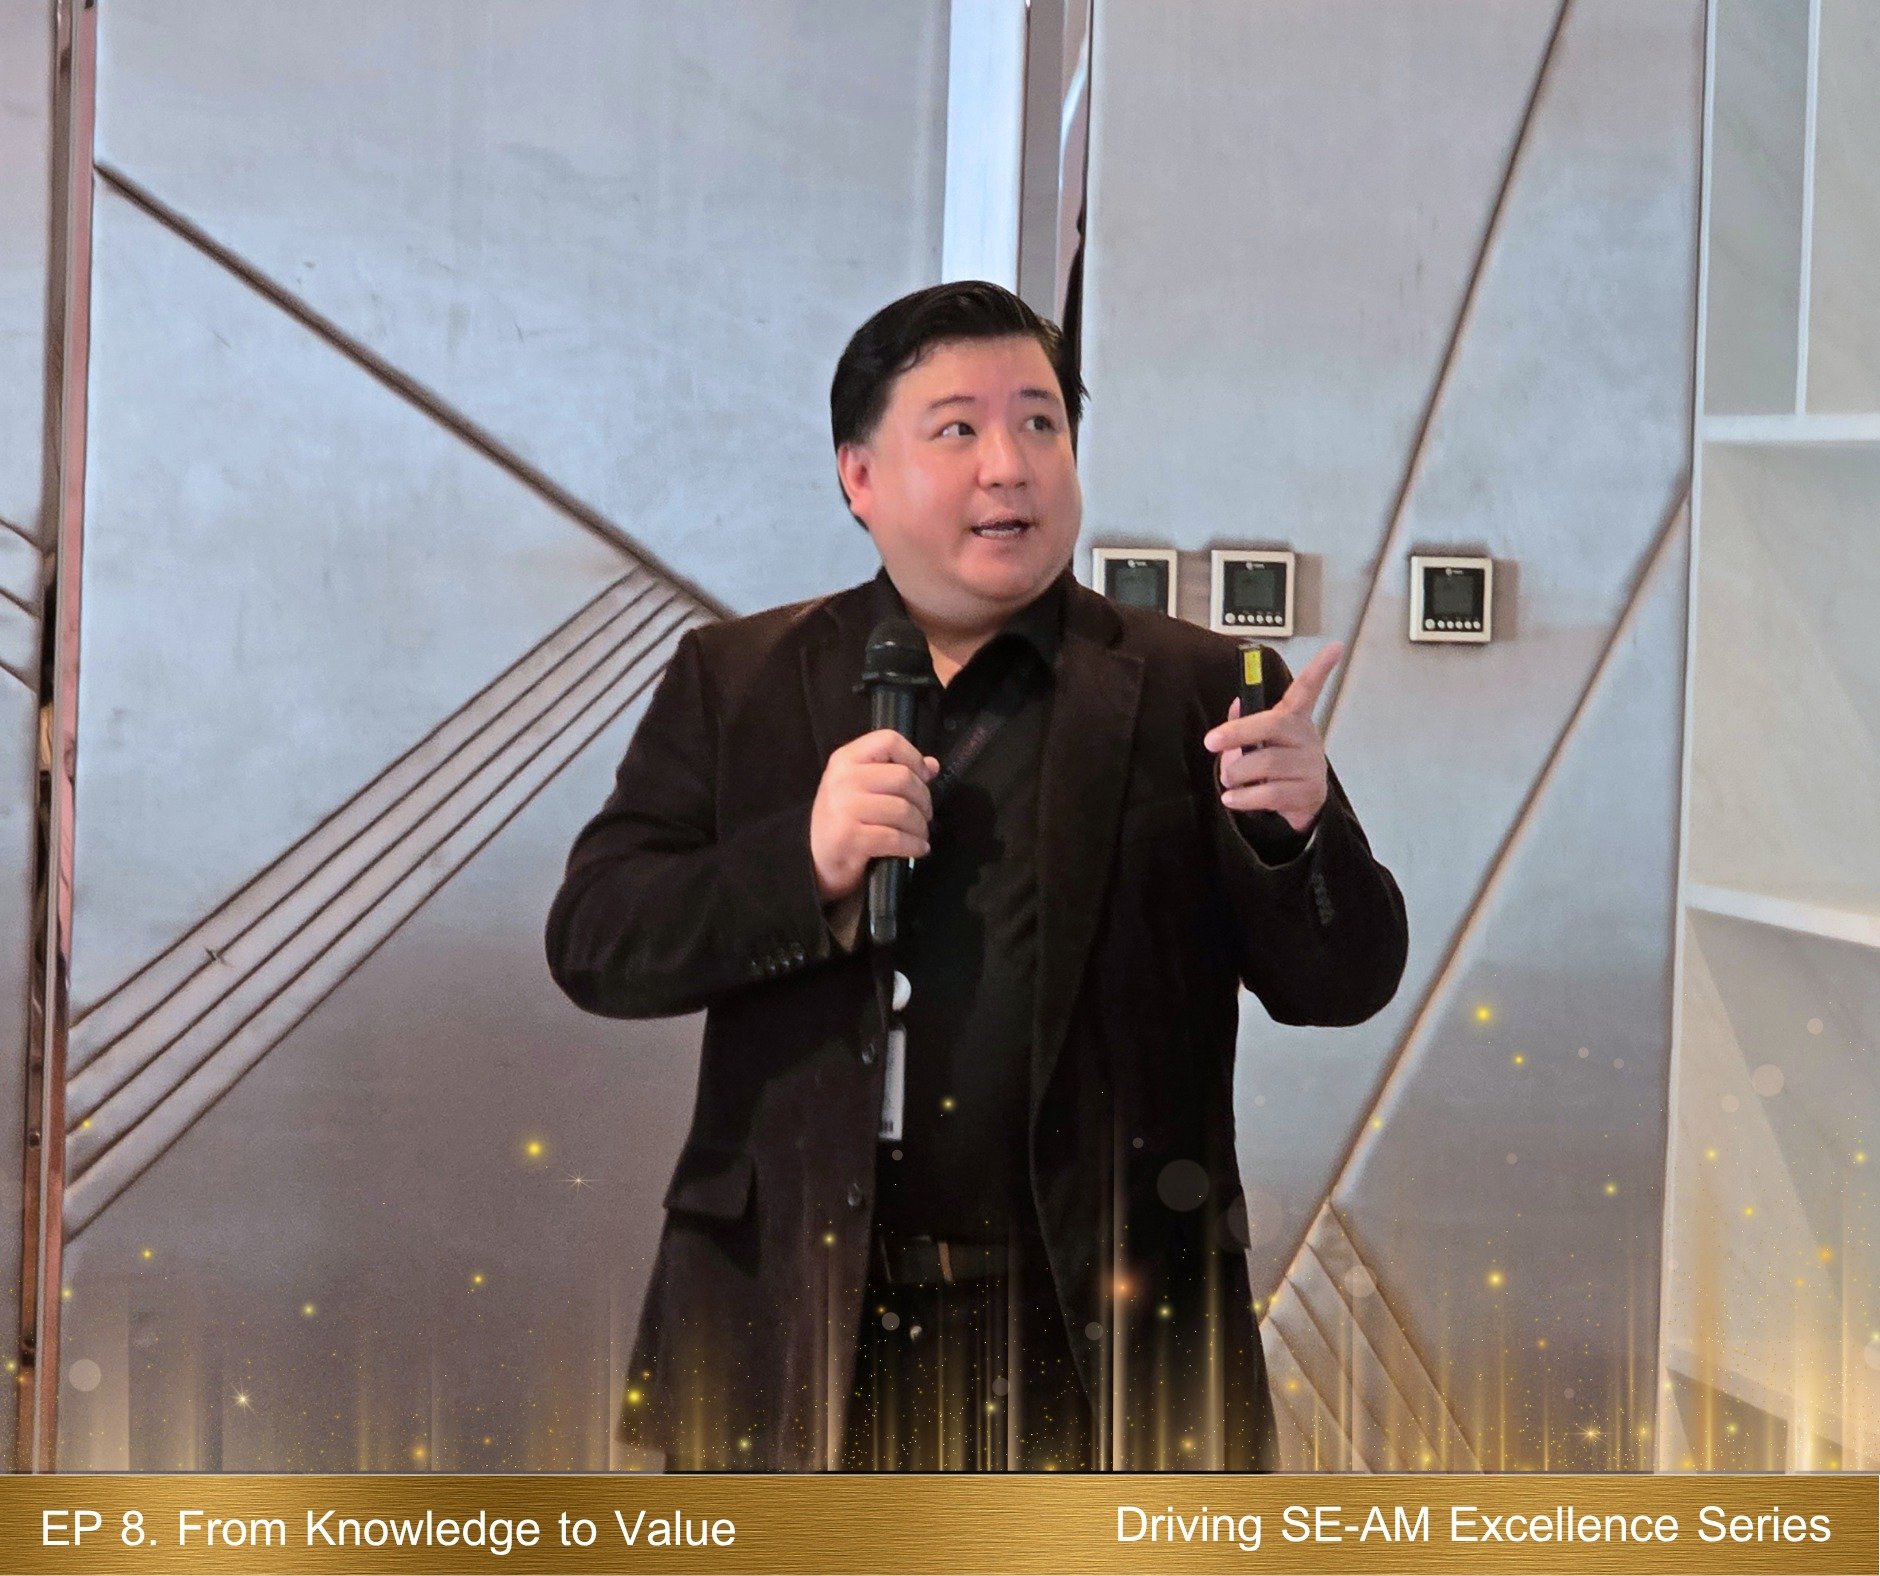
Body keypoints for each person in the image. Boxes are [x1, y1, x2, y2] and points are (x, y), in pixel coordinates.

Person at [544, 281, 1408, 1472]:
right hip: (796, 1332)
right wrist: (804, 860)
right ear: (858, 475)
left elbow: (1345, 980)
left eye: (1040, 423)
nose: (1010, 466)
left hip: (1101, 1341)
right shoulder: (735, 680)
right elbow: (596, 939)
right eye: (957, 428)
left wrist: (1297, 834)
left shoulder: (1200, 687)